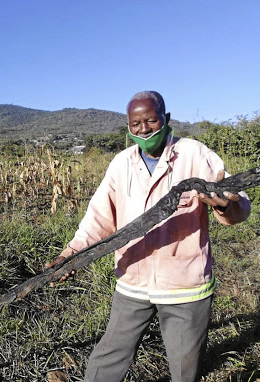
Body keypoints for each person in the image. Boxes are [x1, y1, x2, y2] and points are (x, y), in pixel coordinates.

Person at [45, 91, 251, 382]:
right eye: (135, 124)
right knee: (109, 358)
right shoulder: (121, 163)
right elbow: (99, 217)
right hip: (133, 282)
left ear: (165, 120)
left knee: (184, 368)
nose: (143, 130)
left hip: (185, 286)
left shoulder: (194, 154)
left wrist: (227, 205)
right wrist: (72, 252)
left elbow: (238, 202)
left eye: (151, 121)